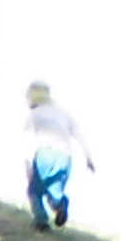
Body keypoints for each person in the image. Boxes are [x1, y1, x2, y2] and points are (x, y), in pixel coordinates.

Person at [23, 81, 89, 232]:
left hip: (44, 154)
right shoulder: (63, 114)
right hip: (65, 156)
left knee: (34, 192)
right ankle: (60, 204)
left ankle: (41, 221)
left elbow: (26, 141)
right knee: (54, 190)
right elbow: (79, 135)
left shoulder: (34, 114)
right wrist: (88, 158)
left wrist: (28, 165)